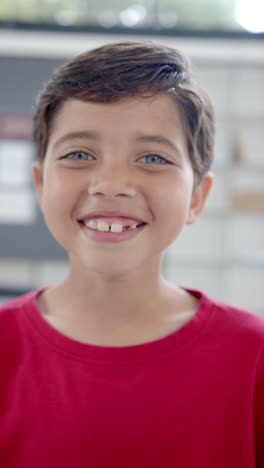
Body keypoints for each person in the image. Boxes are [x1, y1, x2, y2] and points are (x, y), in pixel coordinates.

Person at [0, 41, 263, 468]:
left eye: (153, 157)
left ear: (197, 197)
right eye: (79, 154)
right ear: (40, 183)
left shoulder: (253, 356)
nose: (111, 183)